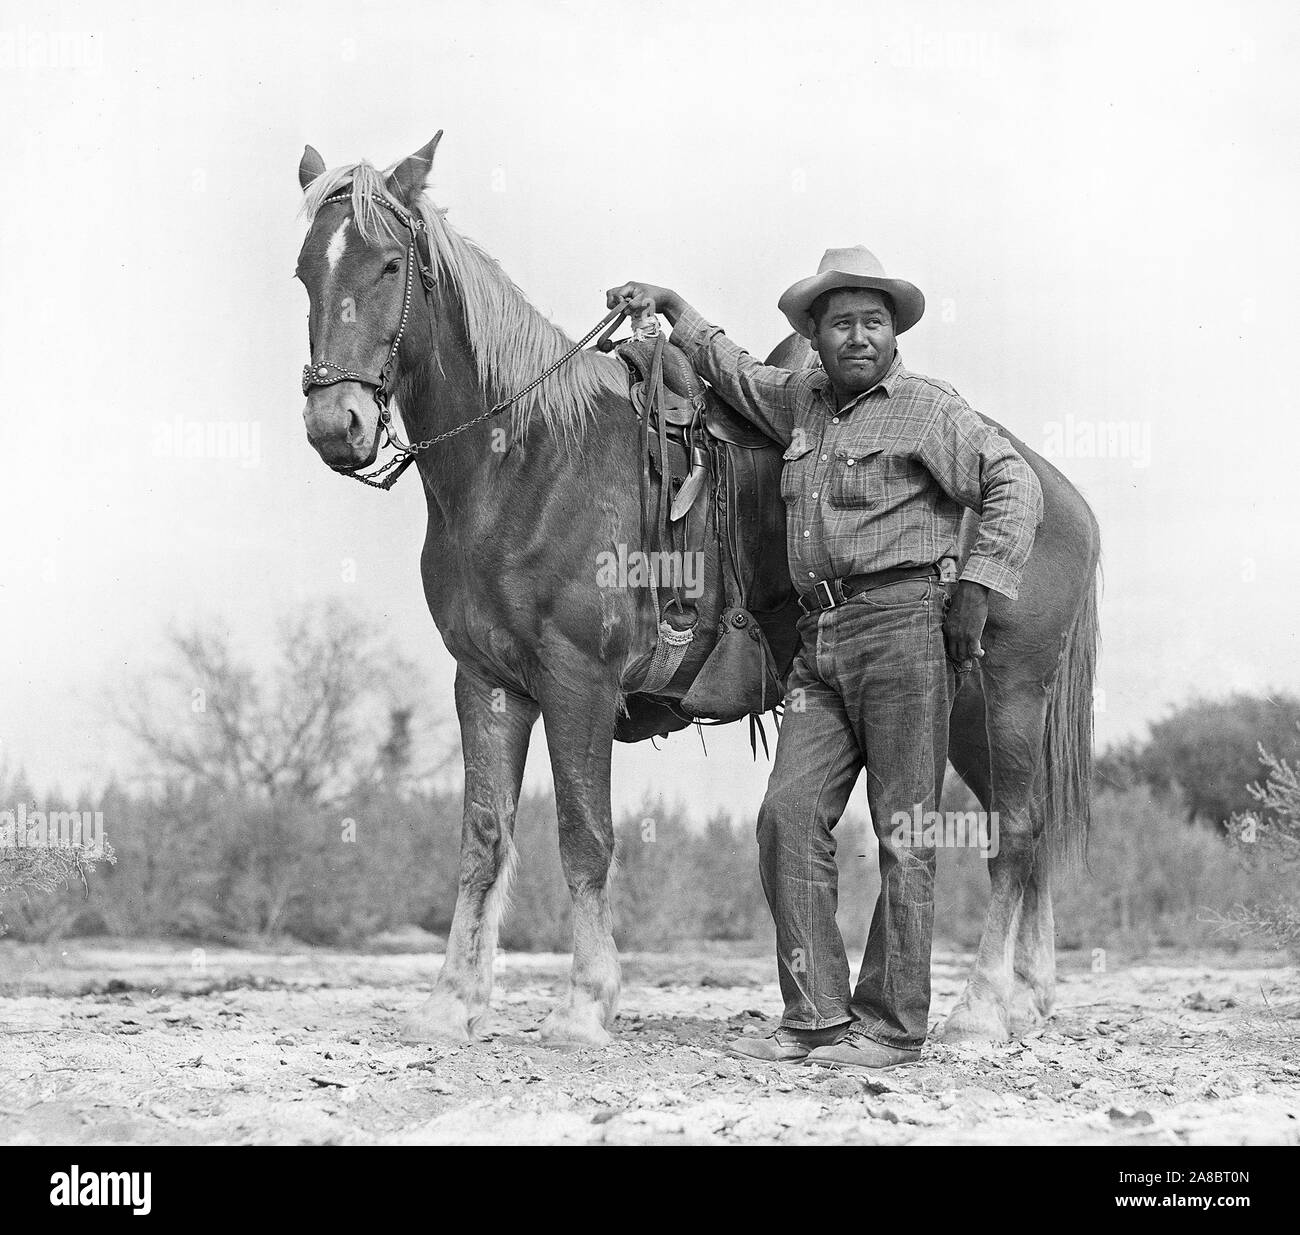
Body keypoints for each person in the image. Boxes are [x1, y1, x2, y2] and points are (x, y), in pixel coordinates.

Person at [606, 247, 1043, 1069]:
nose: (857, 336)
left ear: (892, 332)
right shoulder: (800, 403)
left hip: (908, 629)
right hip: (821, 640)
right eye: (840, 322)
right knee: (786, 815)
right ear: (813, 333)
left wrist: (980, 584)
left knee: (903, 832)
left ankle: (892, 1026)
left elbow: (1014, 482)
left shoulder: (925, 408)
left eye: (872, 321)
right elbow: (729, 368)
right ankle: (814, 1015)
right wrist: (674, 302)